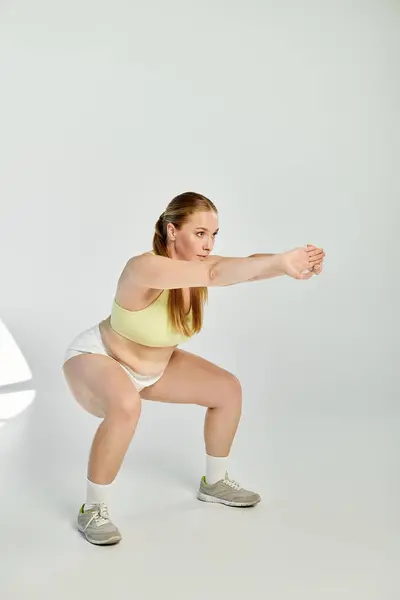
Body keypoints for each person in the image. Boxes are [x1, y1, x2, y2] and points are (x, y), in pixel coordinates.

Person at [62, 191, 325, 545]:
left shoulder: (199, 270)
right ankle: (93, 509)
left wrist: (291, 262)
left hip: (155, 368)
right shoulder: (144, 266)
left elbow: (246, 265)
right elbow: (217, 272)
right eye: (200, 233)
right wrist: (280, 262)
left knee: (227, 389)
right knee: (126, 406)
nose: (208, 243)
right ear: (172, 231)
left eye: (214, 235)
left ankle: (214, 482)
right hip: (100, 357)